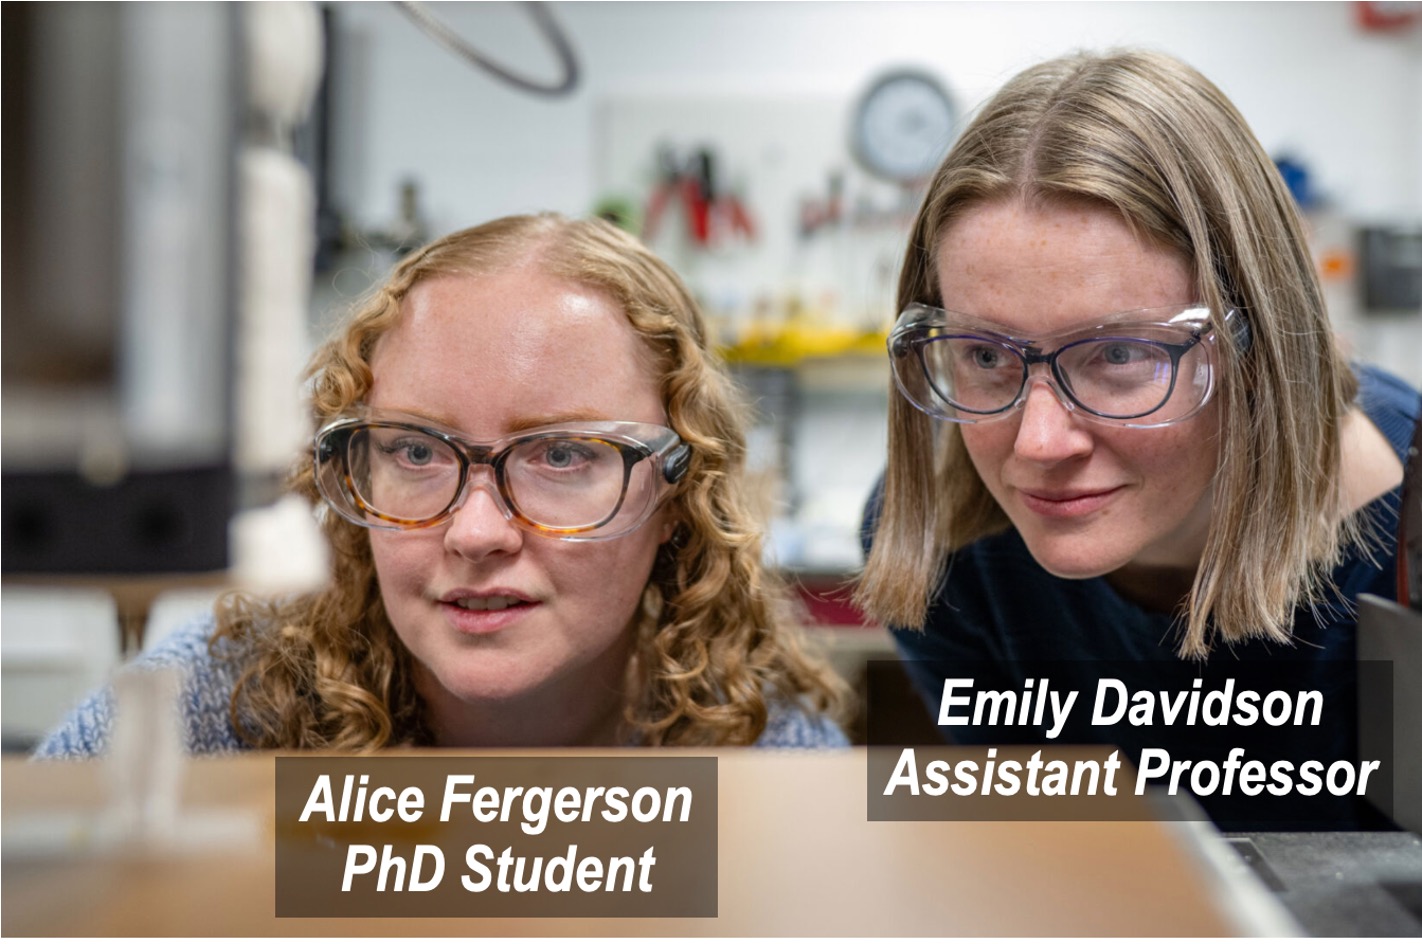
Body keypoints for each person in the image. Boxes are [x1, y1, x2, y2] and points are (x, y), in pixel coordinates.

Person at [39, 213, 849, 756]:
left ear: (676, 495)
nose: (476, 533)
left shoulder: (765, 753)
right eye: (417, 453)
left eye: (563, 456)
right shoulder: (209, 714)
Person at [856, 50, 1419, 827]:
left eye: (1119, 356)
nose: (1040, 443)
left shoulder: (1403, 549)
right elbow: (1058, 863)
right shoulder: (945, 550)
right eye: (986, 356)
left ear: (1258, 346)